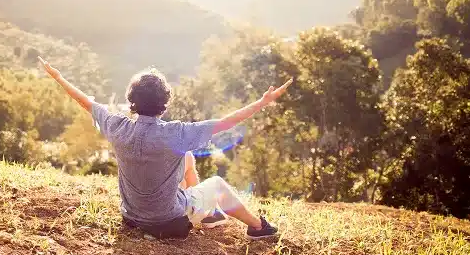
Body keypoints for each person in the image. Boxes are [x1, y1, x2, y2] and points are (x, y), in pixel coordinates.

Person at [38, 57, 292, 240]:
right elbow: (228, 122)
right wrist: (262, 102)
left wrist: (59, 78)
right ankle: (259, 227)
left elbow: (86, 103)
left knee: (188, 157)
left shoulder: (117, 126)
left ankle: (208, 214)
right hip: (169, 223)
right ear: (165, 104)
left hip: (131, 217)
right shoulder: (176, 133)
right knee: (217, 185)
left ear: (132, 102)